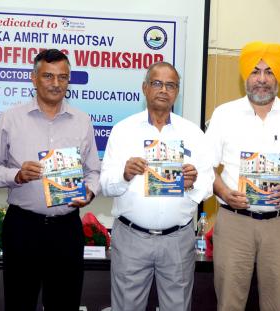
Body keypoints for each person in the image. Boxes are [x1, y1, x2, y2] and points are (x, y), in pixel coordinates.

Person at [205, 41, 280, 311]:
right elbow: (206, 167)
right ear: (245, 76)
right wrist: (224, 193)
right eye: (255, 71)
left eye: (269, 72)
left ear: (278, 76)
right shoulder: (224, 114)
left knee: (276, 303)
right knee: (229, 303)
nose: (261, 79)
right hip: (235, 222)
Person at [0, 49, 100, 310]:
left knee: (64, 304)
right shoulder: (10, 118)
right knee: (19, 303)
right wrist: (17, 175)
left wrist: (88, 191)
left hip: (66, 230)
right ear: (34, 79)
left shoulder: (83, 121)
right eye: (48, 76)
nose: (56, 84)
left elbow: (93, 172)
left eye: (63, 77)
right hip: (23, 228)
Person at [100, 61, 213, 311]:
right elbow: (105, 185)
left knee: (177, 307)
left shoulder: (193, 133)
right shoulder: (123, 131)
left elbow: (208, 184)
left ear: (177, 92)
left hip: (178, 239)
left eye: (170, 85)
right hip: (131, 237)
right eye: (157, 83)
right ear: (145, 88)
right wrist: (124, 174)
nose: (164, 90)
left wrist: (193, 183)